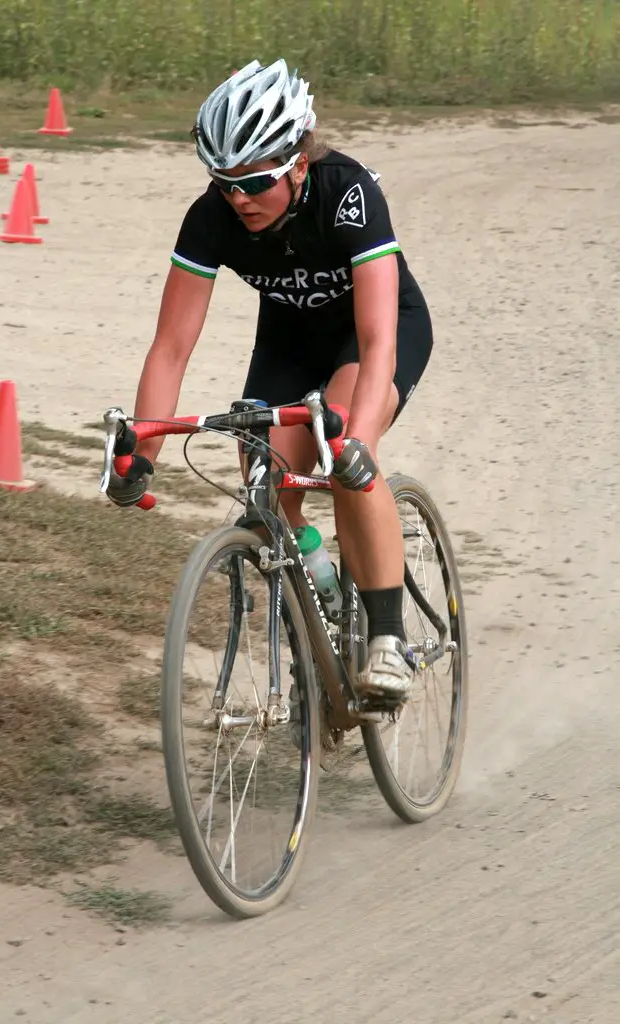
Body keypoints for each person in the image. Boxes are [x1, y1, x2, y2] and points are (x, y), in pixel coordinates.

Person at [107, 58, 434, 702]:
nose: (239, 198)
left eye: (254, 181)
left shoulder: (348, 193)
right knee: (264, 501)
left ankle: (389, 639)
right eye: (224, 182)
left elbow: (377, 341)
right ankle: (322, 613)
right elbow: (171, 348)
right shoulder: (213, 217)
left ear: (298, 163)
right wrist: (140, 455)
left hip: (370, 339)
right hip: (288, 345)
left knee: (344, 461)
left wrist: (359, 445)